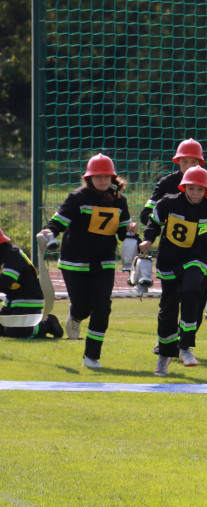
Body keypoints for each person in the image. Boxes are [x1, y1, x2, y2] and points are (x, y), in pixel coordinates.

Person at [38, 153, 136, 367]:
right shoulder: (77, 197)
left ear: (113, 178)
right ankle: (75, 313)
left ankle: (91, 357)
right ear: (88, 178)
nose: (102, 180)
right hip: (74, 263)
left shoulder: (120, 201)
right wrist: (48, 232)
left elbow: (123, 233)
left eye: (106, 176)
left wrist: (131, 234)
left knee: (102, 307)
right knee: (82, 308)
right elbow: (57, 223)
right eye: (97, 176)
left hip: (104, 263)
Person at [140, 138, 207, 357]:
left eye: (194, 161)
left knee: (196, 295)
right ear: (177, 161)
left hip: (202, 251)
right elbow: (148, 216)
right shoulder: (166, 186)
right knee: (170, 300)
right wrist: (155, 233)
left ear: (202, 162)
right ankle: (169, 343)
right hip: (172, 251)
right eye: (184, 161)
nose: (189, 166)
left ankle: (185, 343)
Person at [0, 227, 63, 339]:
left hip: (28, 297)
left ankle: (47, 324)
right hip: (12, 299)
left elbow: (7, 280)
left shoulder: (11, 253)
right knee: (4, 329)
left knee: (14, 331)